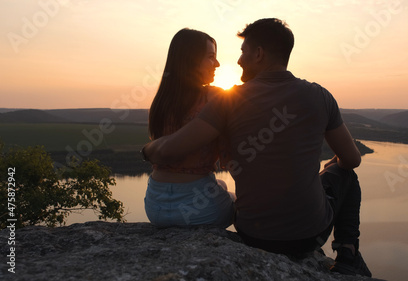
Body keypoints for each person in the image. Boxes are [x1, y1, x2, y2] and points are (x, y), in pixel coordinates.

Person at [142, 19, 371, 277]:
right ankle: (348, 256)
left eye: (243, 52)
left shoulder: (229, 101)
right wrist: (332, 165)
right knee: (346, 176)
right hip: (309, 236)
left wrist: (148, 151)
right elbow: (352, 160)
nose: (238, 60)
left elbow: (178, 145)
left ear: (259, 54)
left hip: (253, 234)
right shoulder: (320, 96)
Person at [143, 28, 235, 229]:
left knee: (222, 185)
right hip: (198, 211)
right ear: (192, 61)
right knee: (233, 198)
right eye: (211, 57)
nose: (217, 64)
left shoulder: (162, 100)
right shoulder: (215, 98)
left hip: (154, 206)